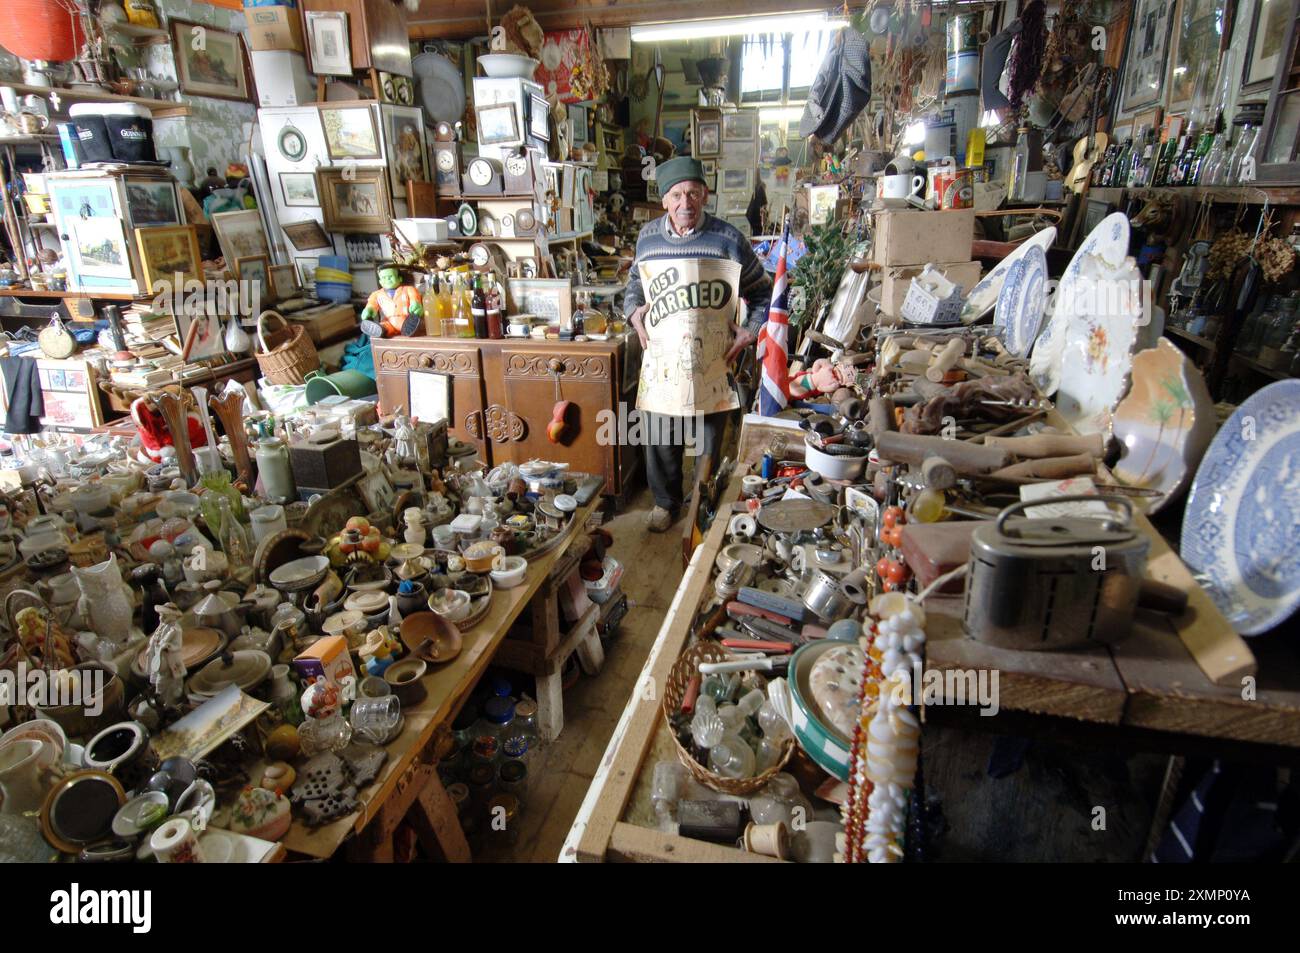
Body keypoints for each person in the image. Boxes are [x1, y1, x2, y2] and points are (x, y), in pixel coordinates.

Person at [623, 157, 773, 532]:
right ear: (664, 201)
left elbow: (763, 291)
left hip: (714, 355)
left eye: (692, 193)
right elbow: (633, 288)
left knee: (710, 439)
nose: (685, 202)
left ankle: (703, 504)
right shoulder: (647, 239)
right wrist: (633, 314)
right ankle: (665, 503)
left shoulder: (728, 239)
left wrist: (750, 331)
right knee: (660, 433)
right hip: (663, 358)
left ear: (705, 195)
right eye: (676, 195)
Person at [360, 262, 423, 338]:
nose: (387, 279)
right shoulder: (377, 294)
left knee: (411, 322)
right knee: (384, 326)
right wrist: (369, 310)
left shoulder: (409, 289)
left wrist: (415, 304)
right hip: (389, 321)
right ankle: (381, 330)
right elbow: (372, 303)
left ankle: (409, 329)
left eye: (390, 276)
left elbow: (415, 297)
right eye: (384, 278)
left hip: (406, 319)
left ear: (399, 278)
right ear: (380, 282)